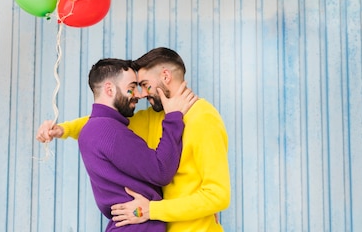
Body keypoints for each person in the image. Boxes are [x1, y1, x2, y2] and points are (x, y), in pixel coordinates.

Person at [36, 47, 231, 232]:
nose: (142, 93)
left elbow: (218, 195)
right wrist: (62, 129)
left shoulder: (204, 118)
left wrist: (152, 210)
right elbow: (104, 126)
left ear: (165, 76)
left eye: (145, 85)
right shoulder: (155, 116)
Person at [76, 58, 196, 231]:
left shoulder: (90, 130)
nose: (139, 95)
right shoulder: (109, 130)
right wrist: (173, 117)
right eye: (131, 88)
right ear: (109, 89)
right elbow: (161, 171)